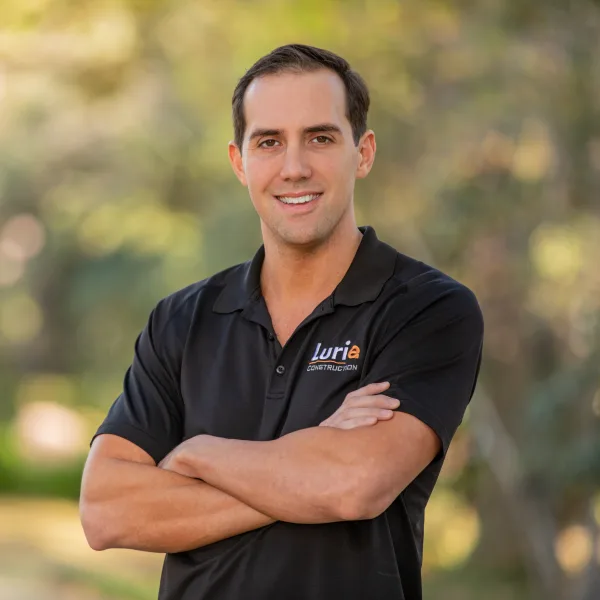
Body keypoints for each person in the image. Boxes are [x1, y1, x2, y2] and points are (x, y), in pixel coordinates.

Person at [80, 44, 484, 600]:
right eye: (269, 142)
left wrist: (199, 455)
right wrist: (313, 459)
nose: (294, 168)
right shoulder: (181, 320)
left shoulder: (426, 310)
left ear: (363, 153)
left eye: (320, 138)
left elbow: (354, 486)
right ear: (239, 162)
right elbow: (106, 511)